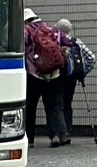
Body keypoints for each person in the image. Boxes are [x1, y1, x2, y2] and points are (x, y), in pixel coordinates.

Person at [23, 9, 71, 147]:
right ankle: (58, 135)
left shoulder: (26, 31)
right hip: (54, 73)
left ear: (26, 20)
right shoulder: (52, 29)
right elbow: (68, 43)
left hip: (34, 74)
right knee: (54, 106)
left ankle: (29, 139)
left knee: (30, 107)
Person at [55, 18, 90, 135]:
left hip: (58, 76)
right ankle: (68, 130)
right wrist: (82, 71)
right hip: (72, 78)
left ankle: (61, 131)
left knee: (58, 104)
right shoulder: (76, 42)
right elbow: (91, 58)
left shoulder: (55, 41)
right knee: (68, 103)